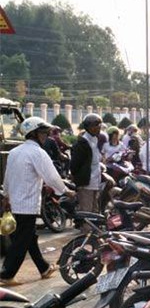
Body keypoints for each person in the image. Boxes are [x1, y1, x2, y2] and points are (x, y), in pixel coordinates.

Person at [0, 118, 75, 286]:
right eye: (43, 133)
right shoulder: (38, 153)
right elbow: (52, 176)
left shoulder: (15, 152)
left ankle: (44, 268)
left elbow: (7, 177)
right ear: (33, 133)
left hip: (15, 204)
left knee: (29, 238)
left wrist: (6, 196)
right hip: (27, 204)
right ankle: (7, 274)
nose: (46, 136)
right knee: (21, 242)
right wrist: (66, 191)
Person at [70, 113, 103, 216]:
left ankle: (93, 232)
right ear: (89, 127)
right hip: (86, 183)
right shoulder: (82, 143)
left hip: (95, 181)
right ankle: (85, 232)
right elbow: (74, 164)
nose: (98, 128)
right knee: (86, 212)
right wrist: (80, 178)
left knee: (95, 211)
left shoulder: (94, 140)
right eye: (96, 125)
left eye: (99, 125)